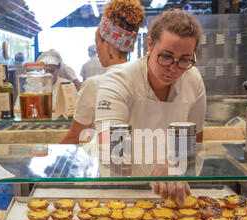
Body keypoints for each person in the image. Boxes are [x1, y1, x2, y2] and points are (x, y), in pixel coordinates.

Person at [94, 9, 207, 206]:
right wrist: (157, 164)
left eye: (184, 60)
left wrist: (178, 172)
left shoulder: (193, 79)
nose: (173, 68)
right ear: (149, 44)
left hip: (173, 191)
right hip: (124, 191)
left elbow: (196, 141)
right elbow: (109, 144)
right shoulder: (119, 79)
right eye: (165, 56)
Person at [60, 0, 145, 145]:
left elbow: (75, 136)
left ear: (106, 44)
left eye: (97, 42)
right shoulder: (144, 80)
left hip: (110, 163)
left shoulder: (95, 85)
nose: (97, 50)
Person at [15, 49, 77, 119]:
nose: (48, 74)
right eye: (45, 71)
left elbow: (74, 111)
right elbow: (18, 110)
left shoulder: (67, 85)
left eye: (52, 71)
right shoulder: (30, 84)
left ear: (58, 69)